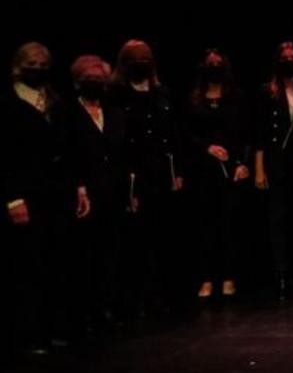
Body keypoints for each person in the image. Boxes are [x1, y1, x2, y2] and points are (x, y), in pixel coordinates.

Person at [3, 42, 77, 354]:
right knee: (27, 265)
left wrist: (78, 187)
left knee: (55, 262)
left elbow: (67, 147)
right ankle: (28, 333)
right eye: (32, 62)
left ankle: (54, 328)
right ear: (20, 65)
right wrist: (13, 198)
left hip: (56, 193)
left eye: (44, 62)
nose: (39, 67)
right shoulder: (8, 103)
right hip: (25, 193)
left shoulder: (55, 100)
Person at [110, 39, 186, 315]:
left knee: (164, 236)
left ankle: (162, 296)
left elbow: (174, 135)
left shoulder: (162, 93)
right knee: (135, 239)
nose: (140, 63)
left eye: (145, 58)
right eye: (134, 58)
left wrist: (178, 172)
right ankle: (134, 298)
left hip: (162, 172)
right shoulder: (116, 94)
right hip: (134, 174)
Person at [58, 55, 127, 332]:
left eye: (100, 79)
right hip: (84, 192)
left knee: (110, 251)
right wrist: (79, 186)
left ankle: (106, 306)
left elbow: (121, 153)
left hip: (113, 190)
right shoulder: (68, 112)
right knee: (84, 253)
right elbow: (66, 154)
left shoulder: (113, 111)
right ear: (78, 81)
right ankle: (83, 311)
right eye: (90, 79)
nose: (95, 83)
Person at [184, 49, 250, 300]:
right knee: (205, 225)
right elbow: (186, 133)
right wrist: (206, 148)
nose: (214, 67)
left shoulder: (237, 98)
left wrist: (243, 162)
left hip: (231, 169)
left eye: (218, 64)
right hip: (203, 169)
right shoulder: (194, 99)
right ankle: (206, 277)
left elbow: (246, 133)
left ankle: (230, 276)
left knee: (230, 225)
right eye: (210, 64)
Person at [254, 41, 293, 301]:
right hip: (276, 162)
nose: (289, 61)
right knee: (277, 220)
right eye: (285, 57)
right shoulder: (266, 92)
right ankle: (281, 274)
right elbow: (258, 133)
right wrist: (259, 170)